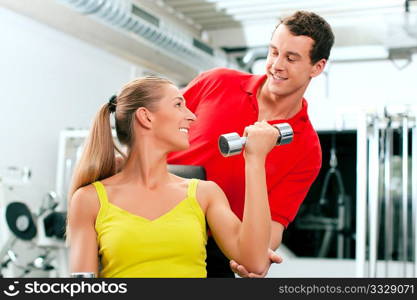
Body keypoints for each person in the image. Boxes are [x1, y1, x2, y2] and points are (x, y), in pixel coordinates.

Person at [167, 10, 335, 277]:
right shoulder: (216, 82)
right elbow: (153, 131)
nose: (276, 65)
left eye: (291, 58)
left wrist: (256, 253)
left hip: (211, 247)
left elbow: (273, 224)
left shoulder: (307, 150)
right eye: (273, 52)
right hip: (148, 223)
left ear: (317, 67)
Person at [67, 76, 279, 278]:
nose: (191, 116)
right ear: (146, 116)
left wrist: (255, 160)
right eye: (178, 105)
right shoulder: (88, 200)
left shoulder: (205, 194)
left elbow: (255, 262)